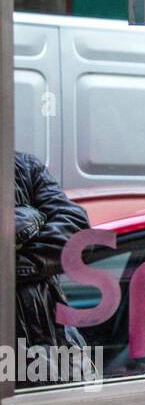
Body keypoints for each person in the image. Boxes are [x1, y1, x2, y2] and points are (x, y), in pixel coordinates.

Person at [15, 151, 91, 385]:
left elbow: (77, 232)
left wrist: (12, 268)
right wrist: (31, 219)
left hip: (53, 345)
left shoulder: (23, 167)